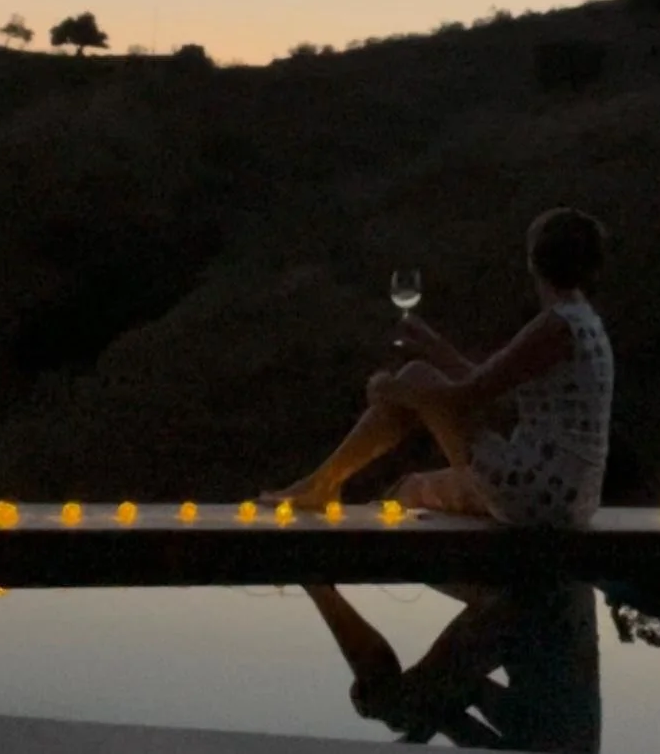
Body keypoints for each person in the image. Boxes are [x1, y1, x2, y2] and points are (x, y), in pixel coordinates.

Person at [260, 207, 614, 526]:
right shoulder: (580, 321)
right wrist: (433, 346)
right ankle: (323, 482)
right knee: (414, 476)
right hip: (568, 496)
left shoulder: (554, 326)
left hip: (538, 492)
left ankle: (323, 483)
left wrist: (390, 389)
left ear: (533, 262)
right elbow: (488, 387)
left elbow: (463, 400)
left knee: (417, 376)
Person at [303, 581, 601, 750]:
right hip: (539, 611)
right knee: (391, 702)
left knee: (397, 705)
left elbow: (454, 707)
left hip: (564, 598)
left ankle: (324, 578)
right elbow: (447, 710)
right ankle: (315, 581)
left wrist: (413, 731)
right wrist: (406, 719)